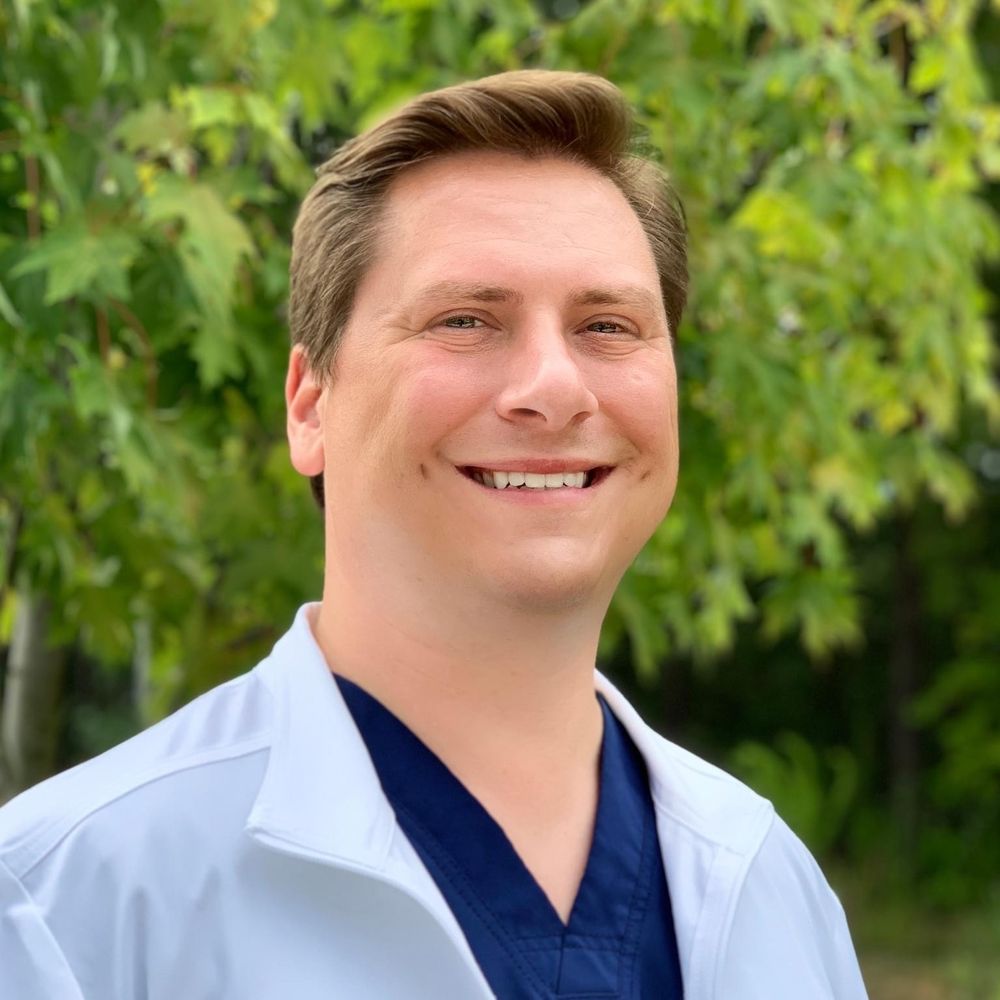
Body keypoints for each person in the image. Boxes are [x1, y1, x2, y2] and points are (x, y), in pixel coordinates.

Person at [0, 71, 868, 999]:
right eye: (466, 321)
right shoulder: (61, 901)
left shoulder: (772, 890)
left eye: (607, 326)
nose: (555, 387)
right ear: (310, 407)